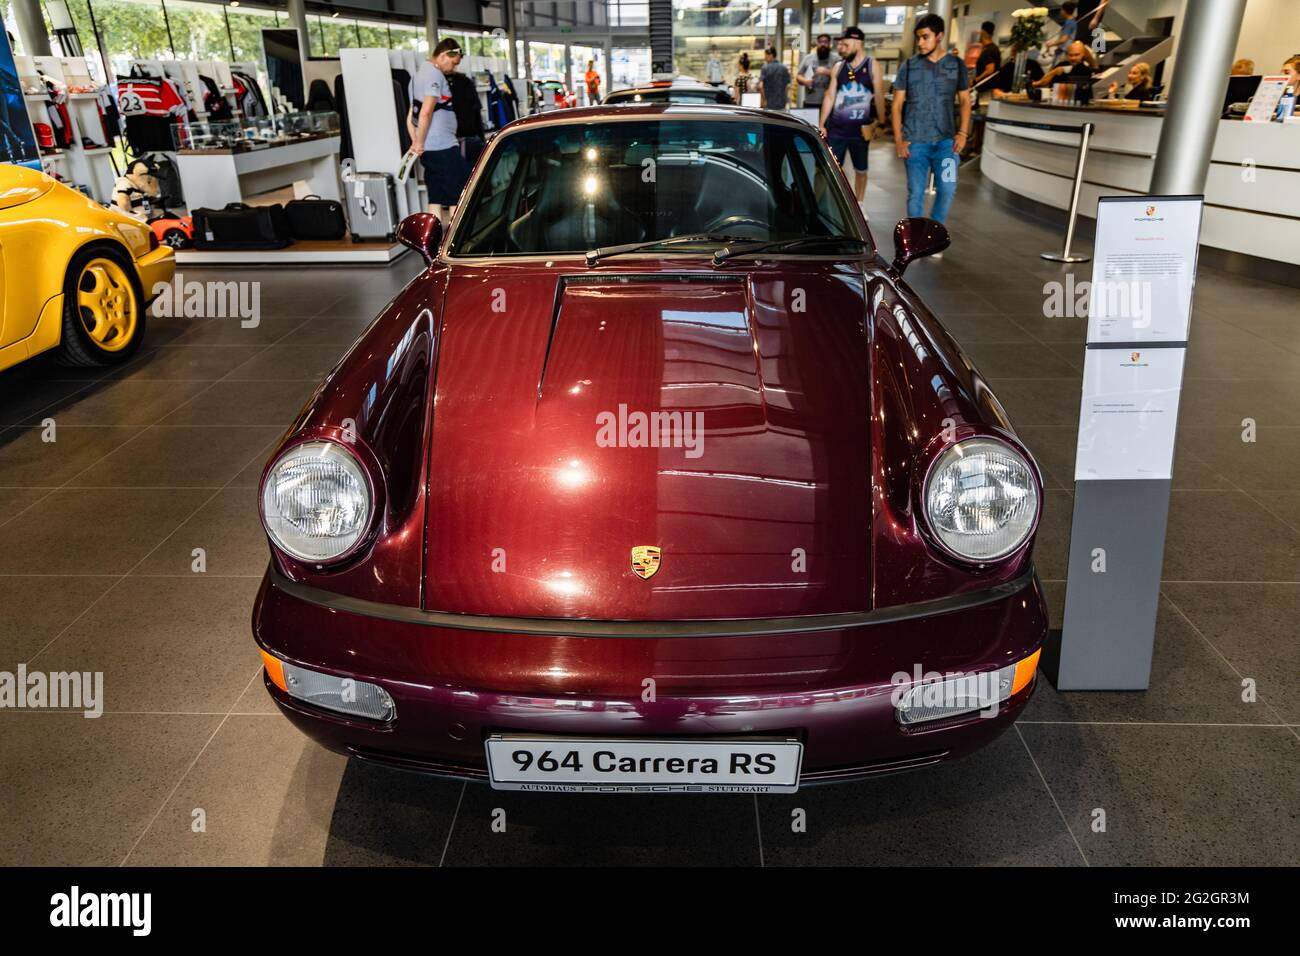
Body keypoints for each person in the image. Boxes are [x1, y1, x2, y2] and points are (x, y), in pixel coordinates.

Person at [891, 13, 971, 234]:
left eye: (925, 37)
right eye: (918, 38)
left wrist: (963, 133)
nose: (920, 43)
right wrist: (898, 140)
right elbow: (897, 105)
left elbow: (965, 101)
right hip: (914, 142)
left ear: (940, 36)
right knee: (915, 192)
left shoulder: (957, 65)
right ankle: (917, 239)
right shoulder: (909, 66)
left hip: (946, 143)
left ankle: (934, 234)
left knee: (948, 188)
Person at [820, 26, 885, 209]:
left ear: (858, 43)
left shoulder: (872, 66)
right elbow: (830, 96)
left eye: (845, 44)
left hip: (860, 132)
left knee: (861, 170)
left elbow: (879, 95)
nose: (841, 47)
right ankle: (830, 206)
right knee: (831, 170)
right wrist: (822, 124)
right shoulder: (838, 67)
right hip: (837, 131)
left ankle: (860, 205)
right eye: (840, 44)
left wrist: (882, 122)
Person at [410, 38, 470, 223]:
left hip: (429, 147)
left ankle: (434, 240)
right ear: (444, 55)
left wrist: (416, 142)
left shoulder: (416, 76)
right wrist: (419, 142)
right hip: (442, 146)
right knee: (457, 195)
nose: (454, 68)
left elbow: (411, 114)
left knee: (435, 196)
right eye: (453, 63)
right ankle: (456, 243)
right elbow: (426, 112)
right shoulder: (434, 75)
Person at [444, 44, 486, 169]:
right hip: (464, 138)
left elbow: (476, 111)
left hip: (457, 139)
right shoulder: (463, 82)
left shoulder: (464, 82)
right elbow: (476, 111)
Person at [797, 33, 837, 111]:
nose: (823, 44)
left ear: (830, 44)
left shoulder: (836, 59)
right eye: (820, 42)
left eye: (825, 42)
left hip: (831, 102)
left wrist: (828, 72)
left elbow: (847, 75)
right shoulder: (808, 58)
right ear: (817, 43)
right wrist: (805, 81)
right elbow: (799, 76)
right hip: (810, 102)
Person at [758, 46, 791, 110]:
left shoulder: (765, 68)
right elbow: (787, 86)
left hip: (769, 104)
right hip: (781, 104)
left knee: (769, 119)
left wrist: (764, 100)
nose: (765, 58)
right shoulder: (784, 68)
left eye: (766, 55)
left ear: (771, 55)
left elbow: (760, 86)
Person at [974, 21, 1002, 89]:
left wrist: (975, 80)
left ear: (983, 32)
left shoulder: (988, 50)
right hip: (991, 87)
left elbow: (990, 69)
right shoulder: (994, 48)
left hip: (985, 89)